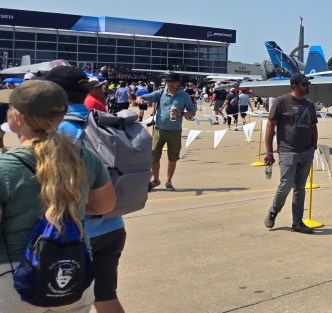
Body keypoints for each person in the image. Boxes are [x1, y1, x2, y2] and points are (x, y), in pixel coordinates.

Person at [0, 79, 115, 312]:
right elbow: (105, 205)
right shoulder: (86, 157)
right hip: (73, 270)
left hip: (15, 277)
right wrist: (67, 203)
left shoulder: (5, 167)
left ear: (19, 118)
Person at [43, 67, 129, 313]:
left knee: (58, 303)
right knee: (105, 296)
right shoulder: (101, 120)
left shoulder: (60, 131)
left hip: (76, 232)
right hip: (112, 226)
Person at [263, 74, 319, 234]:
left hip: (306, 152)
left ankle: (297, 222)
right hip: (288, 151)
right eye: (304, 84)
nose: (307, 86)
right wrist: (269, 151)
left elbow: (313, 126)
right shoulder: (281, 101)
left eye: (307, 84)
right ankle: (273, 212)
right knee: (286, 185)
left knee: (300, 188)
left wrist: (313, 146)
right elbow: (270, 126)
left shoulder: (309, 104)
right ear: (294, 85)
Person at [136, 72, 196, 191]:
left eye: (171, 81)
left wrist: (181, 113)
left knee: (172, 157)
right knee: (154, 156)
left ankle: (168, 181)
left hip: (175, 131)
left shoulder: (184, 96)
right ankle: (156, 180)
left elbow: (192, 112)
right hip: (159, 130)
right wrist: (139, 98)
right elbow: (144, 97)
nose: (168, 83)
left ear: (178, 83)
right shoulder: (160, 93)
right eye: (167, 81)